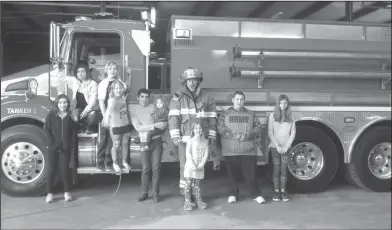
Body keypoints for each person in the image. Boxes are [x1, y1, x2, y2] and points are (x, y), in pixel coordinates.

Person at [168, 67, 217, 195]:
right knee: (185, 165)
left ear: (198, 81)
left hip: (200, 139)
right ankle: (185, 191)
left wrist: (211, 135)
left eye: (194, 80)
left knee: (198, 165)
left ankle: (196, 191)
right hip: (184, 139)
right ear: (185, 82)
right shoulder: (177, 97)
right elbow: (173, 117)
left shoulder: (207, 97)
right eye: (189, 80)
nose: (192, 83)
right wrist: (175, 136)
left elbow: (212, 117)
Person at [217, 91, 266, 204]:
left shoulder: (251, 114)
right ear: (233, 100)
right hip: (231, 150)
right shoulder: (225, 114)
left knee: (251, 174)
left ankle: (256, 194)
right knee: (232, 174)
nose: (239, 101)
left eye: (241, 99)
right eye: (237, 99)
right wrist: (234, 135)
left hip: (248, 150)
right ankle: (233, 194)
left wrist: (248, 135)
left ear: (244, 101)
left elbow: (258, 128)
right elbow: (220, 128)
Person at [131, 88, 167, 202]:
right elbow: (138, 127)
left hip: (156, 141)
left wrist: (159, 125)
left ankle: (156, 193)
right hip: (143, 141)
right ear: (138, 97)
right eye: (142, 97)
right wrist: (154, 126)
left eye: (146, 97)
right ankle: (144, 193)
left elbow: (164, 121)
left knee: (156, 167)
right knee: (146, 168)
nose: (144, 99)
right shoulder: (133, 110)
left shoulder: (154, 107)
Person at [43, 94, 77, 203]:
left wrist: (70, 145)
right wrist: (52, 143)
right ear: (57, 103)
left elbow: (73, 133)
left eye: (65, 102)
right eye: (60, 102)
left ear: (68, 104)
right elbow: (46, 130)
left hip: (65, 148)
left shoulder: (70, 117)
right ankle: (49, 194)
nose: (63, 105)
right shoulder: (51, 115)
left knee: (65, 170)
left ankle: (67, 193)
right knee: (51, 170)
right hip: (53, 148)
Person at [96, 61, 127, 171]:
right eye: (110, 69)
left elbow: (124, 95)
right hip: (105, 116)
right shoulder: (103, 84)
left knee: (112, 141)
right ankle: (100, 162)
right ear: (106, 70)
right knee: (103, 139)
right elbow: (101, 101)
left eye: (114, 68)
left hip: (117, 118)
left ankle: (108, 163)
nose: (112, 70)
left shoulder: (120, 83)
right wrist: (105, 117)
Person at [268, 95, 296, 202]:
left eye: (285, 103)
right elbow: (270, 133)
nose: (283, 105)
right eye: (280, 103)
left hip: (286, 148)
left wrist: (286, 146)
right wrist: (278, 146)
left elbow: (293, 132)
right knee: (276, 169)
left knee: (284, 170)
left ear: (288, 104)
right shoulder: (273, 116)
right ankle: (276, 192)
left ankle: (284, 192)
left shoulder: (291, 117)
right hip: (275, 147)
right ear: (277, 104)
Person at [103, 80, 132, 173]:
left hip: (125, 125)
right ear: (112, 90)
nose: (118, 90)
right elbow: (109, 111)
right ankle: (115, 163)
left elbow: (126, 85)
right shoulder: (112, 100)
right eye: (116, 88)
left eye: (120, 88)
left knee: (125, 145)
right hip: (116, 126)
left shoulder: (123, 98)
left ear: (123, 89)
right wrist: (106, 120)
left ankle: (124, 162)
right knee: (116, 146)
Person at [183, 121, 209, 211]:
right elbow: (188, 153)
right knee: (188, 184)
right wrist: (193, 164)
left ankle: (199, 201)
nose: (198, 130)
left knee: (197, 185)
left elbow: (206, 154)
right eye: (196, 128)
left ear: (202, 130)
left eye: (200, 128)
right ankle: (187, 201)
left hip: (199, 166)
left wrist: (201, 164)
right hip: (190, 166)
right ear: (193, 130)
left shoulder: (205, 141)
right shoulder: (190, 141)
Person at [70, 62, 100, 134]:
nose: (80, 74)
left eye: (83, 71)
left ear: (87, 72)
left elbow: (93, 100)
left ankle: (90, 127)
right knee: (75, 117)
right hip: (79, 108)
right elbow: (62, 78)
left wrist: (86, 111)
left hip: (90, 108)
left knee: (92, 116)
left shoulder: (93, 83)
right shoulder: (75, 82)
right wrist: (59, 69)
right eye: (78, 72)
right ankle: (82, 125)